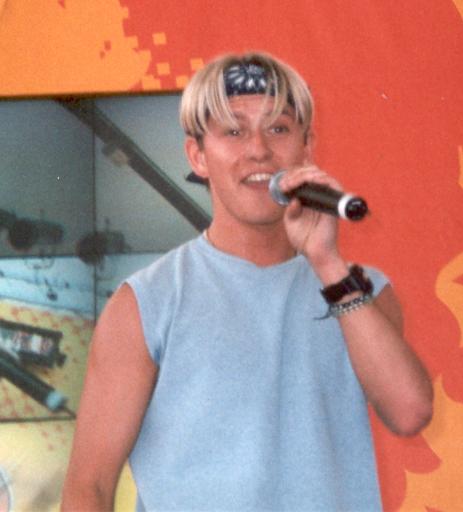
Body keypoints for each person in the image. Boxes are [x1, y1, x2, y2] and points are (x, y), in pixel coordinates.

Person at [61, 52, 433, 511]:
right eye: (233, 131)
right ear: (198, 155)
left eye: (278, 128)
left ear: (307, 148)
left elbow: (410, 412)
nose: (258, 149)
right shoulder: (147, 302)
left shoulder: (362, 290)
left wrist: (328, 265)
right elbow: (89, 488)